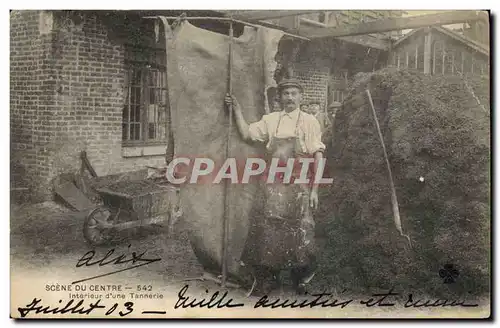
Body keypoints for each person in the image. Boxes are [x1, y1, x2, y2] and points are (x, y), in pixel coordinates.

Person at [225, 78, 326, 295]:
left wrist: (315, 189)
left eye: (294, 93)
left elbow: (317, 156)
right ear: (279, 98)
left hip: (298, 182)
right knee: (270, 228)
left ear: (301, 97)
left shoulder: (310, 122)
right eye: (286, 93)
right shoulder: (270, 120)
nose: (290, 97)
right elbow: (247, 134)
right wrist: (237, 110)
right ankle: (270, 277)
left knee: (300, 228)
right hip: (272, 183)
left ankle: (301, 278)